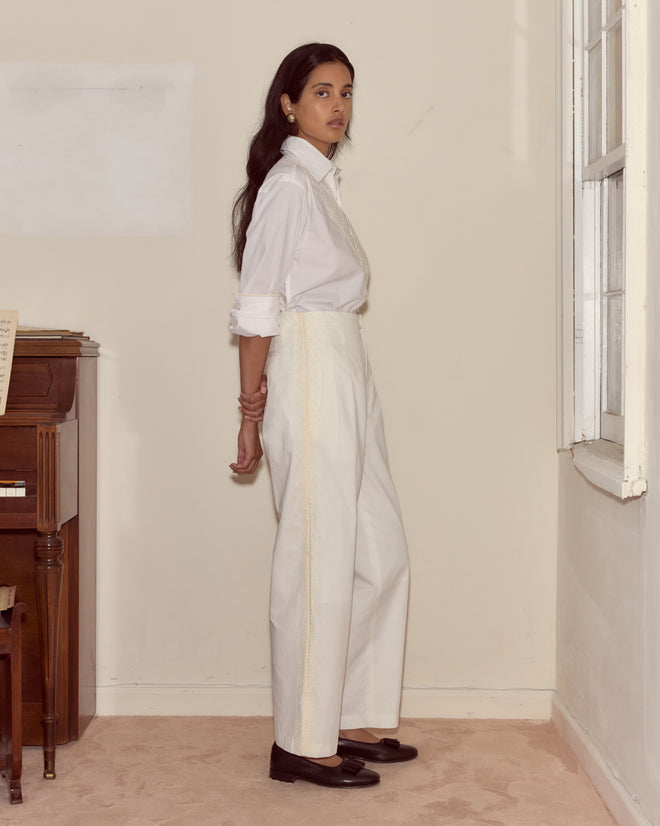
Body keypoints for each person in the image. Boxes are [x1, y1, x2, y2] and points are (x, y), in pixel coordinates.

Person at [229, 43, 416, 789]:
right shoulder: (287, 186)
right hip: (307, 367)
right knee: (315, 557)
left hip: (344, 365)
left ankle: (348, 714)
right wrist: (250, 413)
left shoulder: (321, 184)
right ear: (289, 104)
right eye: (321, 92)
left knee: (380, 550)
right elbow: (256, 308)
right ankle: (300, 743)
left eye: (346, 92)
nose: (337, 106)